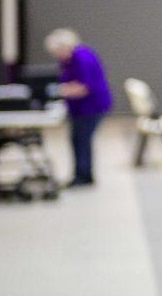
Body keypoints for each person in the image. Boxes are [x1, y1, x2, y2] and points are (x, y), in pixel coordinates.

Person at [45, 28, 113, 187]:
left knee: (82, 140)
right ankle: (81, 174)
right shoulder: (68, 60)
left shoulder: (82, 59)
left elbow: (84, 87)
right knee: (77, 140)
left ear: (66, 47)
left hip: (91, 107)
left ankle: (84, 176)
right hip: (79, 108)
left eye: (57, 52)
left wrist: (58, 91)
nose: (57, 56)